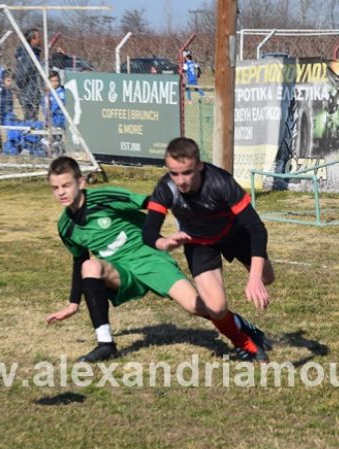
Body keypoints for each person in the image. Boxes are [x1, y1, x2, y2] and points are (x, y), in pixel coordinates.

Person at [46, 156, 272, 362]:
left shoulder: (104, 198)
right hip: (120, 271)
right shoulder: (65, 226)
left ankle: (242, 328)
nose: (61, 192)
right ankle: (105, 343)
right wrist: (73, 304)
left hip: (149, 259)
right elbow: (79, 260)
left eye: (66, 185)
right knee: (90, 265)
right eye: (55, 188)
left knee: (198, 307)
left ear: (81, 182)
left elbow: (152, 203)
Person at [142, 138, 275, 361]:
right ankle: (244, 341)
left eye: (187, 172)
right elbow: (148, 232)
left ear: (200, 166)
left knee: (267, 277)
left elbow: (257, 229)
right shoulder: (165, 188)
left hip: (234, 233)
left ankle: (244, 313)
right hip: (199, 243)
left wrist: (254, 278)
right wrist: (162, 242)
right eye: (174, 173)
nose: (181, 181)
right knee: (216, 307)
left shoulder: (220, 182)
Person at [14, 28, 43, 121]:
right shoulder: (28, 54)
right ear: (32, 39)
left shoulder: (34, 53)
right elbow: (22, 74)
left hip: (34, 93)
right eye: (38, 37)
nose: (40, 39)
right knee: (30, 122)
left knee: (33, 119)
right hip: (29, 94)